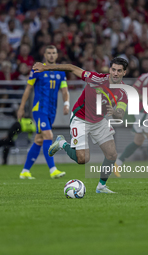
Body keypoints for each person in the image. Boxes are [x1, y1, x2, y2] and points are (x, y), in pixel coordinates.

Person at [39, 57, 129, 194]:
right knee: (83, 159)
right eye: (113, 70)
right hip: (80, 118)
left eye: (119, 71)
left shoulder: (123, 92)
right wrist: (46, 67)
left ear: (124, 73)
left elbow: (120, 114)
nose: (115, 73)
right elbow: (71, 67)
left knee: (112, 154)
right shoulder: (96, 79)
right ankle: (62, 143)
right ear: (110, 69)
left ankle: (101, 187)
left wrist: (115, 113)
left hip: (99, 121)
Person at [17, 45, 69, 179]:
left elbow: (64, 90)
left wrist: (66, 103)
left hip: (52, 110)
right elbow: (28, 89)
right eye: (49, 53)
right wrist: (21, 107)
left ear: (57, 55)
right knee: (48, 135)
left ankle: (25, 171)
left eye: (54, 53)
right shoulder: (37, 69)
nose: (51, 55)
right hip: (39, 109)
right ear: (45, 55)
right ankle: (53, 170)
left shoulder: (60, 72)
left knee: (39, 140)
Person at [115, 56, 148, 177]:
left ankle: (117, 163)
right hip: (143, 110)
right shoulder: (145, 77)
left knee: (138, 141)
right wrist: (147, 98)